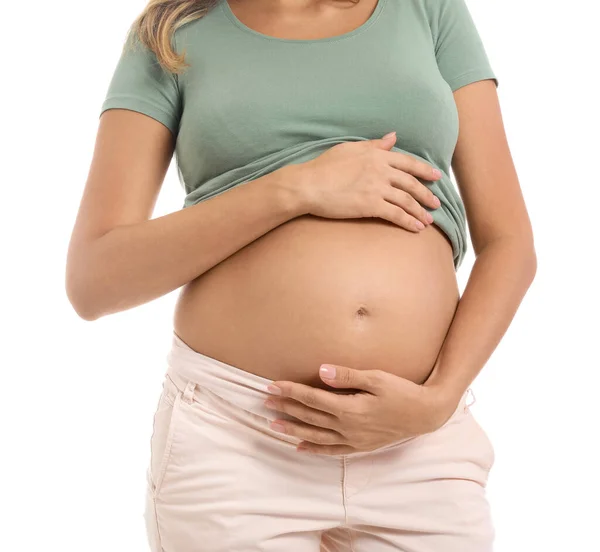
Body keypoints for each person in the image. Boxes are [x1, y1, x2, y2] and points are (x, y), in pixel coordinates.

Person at [65, 0, 536, 550]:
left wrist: (437, 400)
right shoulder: (171, 34)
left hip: (417, 438)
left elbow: (510, 243)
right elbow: (95, 279)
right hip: (237, 440)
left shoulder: (428, 9)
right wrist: (296, 187)